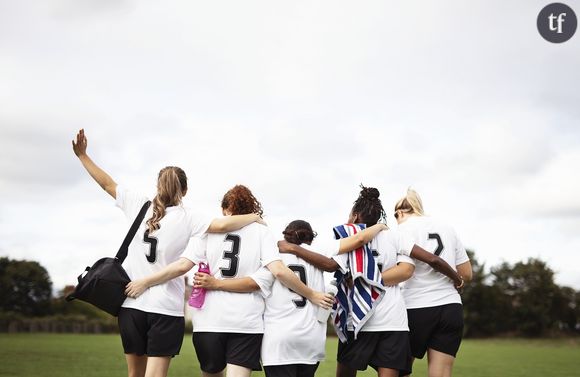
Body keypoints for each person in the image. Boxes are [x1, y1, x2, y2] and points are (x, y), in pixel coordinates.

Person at [72, 129, 262, 377]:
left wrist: (83, 156)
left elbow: (106, 183)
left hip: (131, 303)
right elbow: (224, 225)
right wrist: (255, 217)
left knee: (134, 375)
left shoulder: (138, 204)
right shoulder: (189, 217)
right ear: (184, 190)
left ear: (158, 186)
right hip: (165, 308)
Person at [125, 185, 336, 377]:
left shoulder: (207, 231)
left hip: (208, 322)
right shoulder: (262, 231)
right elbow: (276, 272)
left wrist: (145, 281)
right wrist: (312, 294)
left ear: (226, 209)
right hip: (246, 323)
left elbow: (182, 265)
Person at [278, 186, 463, 377]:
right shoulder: (395, 235)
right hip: (393, 321)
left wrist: (293, 249)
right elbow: (429, 260)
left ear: (356, 216)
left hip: (357, 320)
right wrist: (458, 279)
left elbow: (331, 265)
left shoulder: (346, 237)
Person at [194, 219, 388, 377]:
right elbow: (357, 240)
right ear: (310, 238)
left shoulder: (273, 256)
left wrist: (216, 283)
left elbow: (254, 283)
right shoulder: (318, 252)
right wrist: (379, 225)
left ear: (286, 235)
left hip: (279, 340)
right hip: (311, 340)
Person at [394, 189, 472, 377]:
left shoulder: (402, 230)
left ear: (400, 212)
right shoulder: (447, 227)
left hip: (415, 307)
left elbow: (403, 271)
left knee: (397, 371)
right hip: (451, 308)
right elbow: (467, 274)